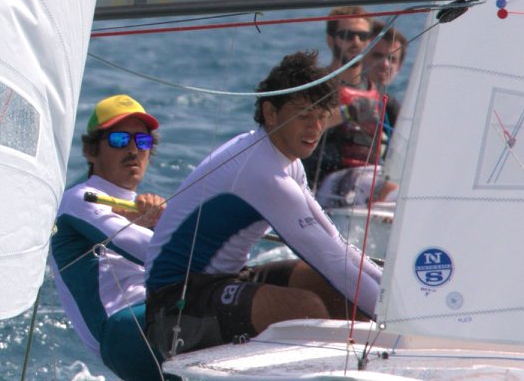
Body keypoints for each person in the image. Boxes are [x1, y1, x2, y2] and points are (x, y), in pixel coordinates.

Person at [142, 52, 383, 360]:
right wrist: (403, 324)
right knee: (306, 307)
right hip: (174, 305)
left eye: (322, 116)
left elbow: (335, 244)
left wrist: (389, 290)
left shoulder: (282, 159)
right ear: (271, 112)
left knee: (326, 287)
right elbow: (332, 262)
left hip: (224, 279)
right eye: (303, 115)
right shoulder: (262, 173)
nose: (315, 128)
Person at [48, 95, 172, 381]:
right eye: (119, 139)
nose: (132, 149)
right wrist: (163, 226)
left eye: (142, 141)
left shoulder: (144, 213)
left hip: (158, 317)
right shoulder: (78, 200)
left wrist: (160, 222)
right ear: (91, 151)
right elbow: (154, 253)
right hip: (125, 338)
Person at [314, 26, 405, 207]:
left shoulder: (391, 107)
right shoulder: (327, 90)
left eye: (392, 59)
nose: (385, 64)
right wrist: (348, 112)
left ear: (400, 66)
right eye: (377, 56)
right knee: (396, 193)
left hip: (372, 183)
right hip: (328, 185)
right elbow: (304, 124)